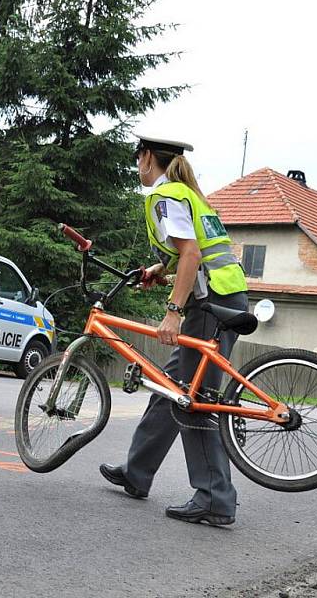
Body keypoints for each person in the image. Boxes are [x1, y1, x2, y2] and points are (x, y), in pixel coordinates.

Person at [99, 135, 249, 526]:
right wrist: (158, 270)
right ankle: (137, 471)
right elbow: (189, 250)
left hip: (212, 303)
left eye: (138, 157)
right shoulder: (185, 193)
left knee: (192, 399)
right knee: (169, 387)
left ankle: (215, 498)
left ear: (148, 157)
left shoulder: (165, 196)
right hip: (223, 295)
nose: (137, 165)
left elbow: (192, 254)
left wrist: (173, 312)